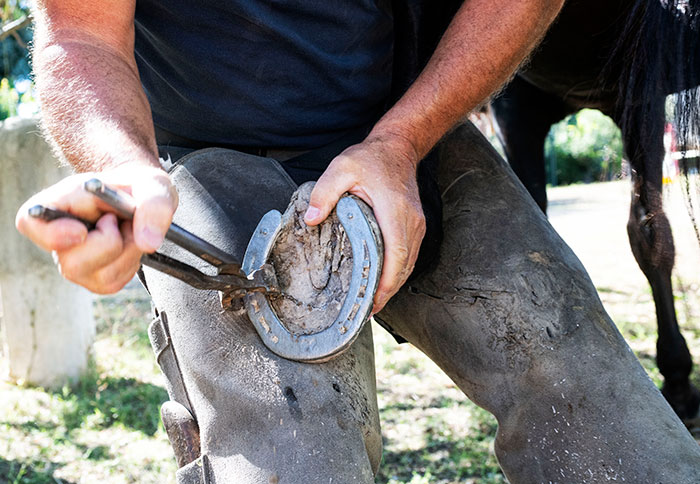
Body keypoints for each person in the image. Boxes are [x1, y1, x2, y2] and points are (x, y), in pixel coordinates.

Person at [15, 1, 700, 483]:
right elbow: (80, 32)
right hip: (209, 155)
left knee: (609, 422)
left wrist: (401, 143)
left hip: (409, 129)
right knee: (292, 456)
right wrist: (127, 169)